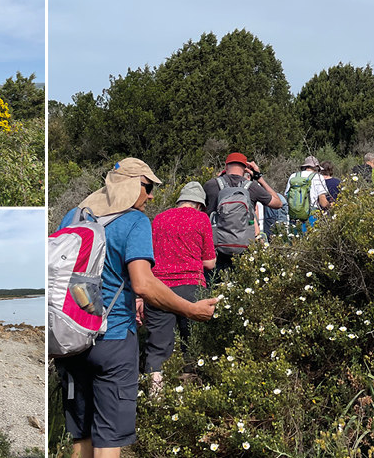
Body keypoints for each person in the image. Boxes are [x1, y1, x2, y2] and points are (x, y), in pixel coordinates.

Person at [55, 158, 218, 458]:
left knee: (80, 434)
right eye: (148, 186)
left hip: (70, 337)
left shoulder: (72, 216)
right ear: (132, 186)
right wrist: (190, 309)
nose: (152, 195)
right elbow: (143, 284)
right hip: (113, 339)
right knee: (108, 437)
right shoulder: (134, 221)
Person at [141, 182, 216, 394]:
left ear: (180, 200)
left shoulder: (159, 219)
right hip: (191, 287)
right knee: (191, 345)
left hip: (158, 288)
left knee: (157, 348)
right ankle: (189, 398)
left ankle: (155, 400)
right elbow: (209, 262)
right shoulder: (201, 218)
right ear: (200, 205)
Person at [203, 153, 282, 279]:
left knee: (213, 287)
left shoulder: (211, 185)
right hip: (243, 247)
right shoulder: (252, 187)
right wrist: (259, 177)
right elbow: (278, 203)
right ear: (246, 168)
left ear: (225, 165)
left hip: (215, 247)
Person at [285, 156, 330, 231]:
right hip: (311, 215)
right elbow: (323, 202)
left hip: (294, 214)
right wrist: (331, 207)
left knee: (294, 240)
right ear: (316, 167)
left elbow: (287, 195)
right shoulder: (318, 177)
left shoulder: (293, 176)